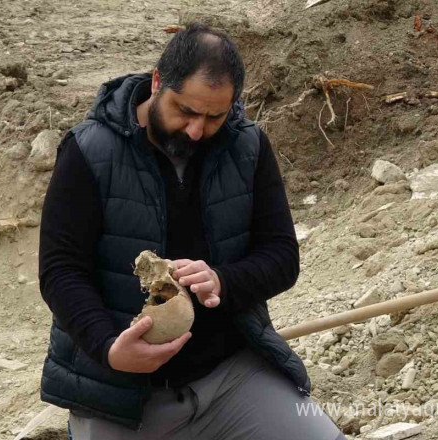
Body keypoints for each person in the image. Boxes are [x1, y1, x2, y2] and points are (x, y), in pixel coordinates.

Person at [38, 23, 344, 439]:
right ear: (158, 81)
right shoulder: (89, 150)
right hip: (118, 395)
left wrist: (223, 279)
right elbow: (60, 270)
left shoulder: (248, 146)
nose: (197, 130)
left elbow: (281, 256)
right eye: (185, 111)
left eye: (215, 116)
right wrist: (110, 348)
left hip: (230, 377)